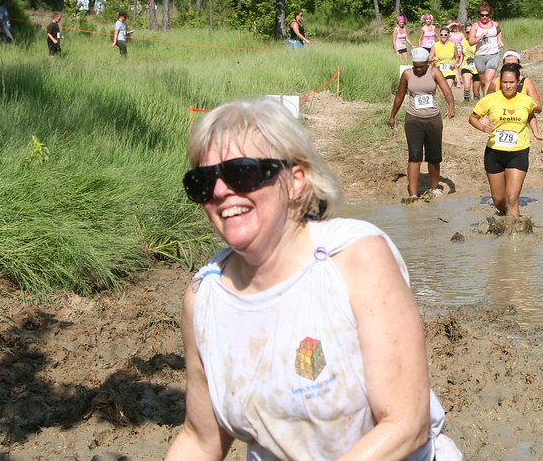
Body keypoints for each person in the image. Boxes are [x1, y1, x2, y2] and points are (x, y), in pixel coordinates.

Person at [166, 98, 459, 460]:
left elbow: (404, 424)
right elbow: (200, 439)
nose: (222, 191)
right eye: (203, 181)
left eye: (242, 172)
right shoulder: (203, 298)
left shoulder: (356, 259)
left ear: (295, 180)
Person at [469, 62, 543, 217]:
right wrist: (482, 127)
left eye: (511, 82)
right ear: (500, 82)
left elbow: (531, 115)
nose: (507, 86)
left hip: (518, 152)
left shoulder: (525, 100)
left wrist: (537, 134)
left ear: (518, 82)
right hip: (494, 153)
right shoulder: (490, 99)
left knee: (512, 198)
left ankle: (515, 233)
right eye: (504, 82)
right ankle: (506, 219)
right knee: (499, 200)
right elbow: (473, 117)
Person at [388, 47, 456, 200]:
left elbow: (446, 91)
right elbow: (399, 96)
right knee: (414, 156)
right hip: (413, 119)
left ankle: (433, 188)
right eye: (416, 66)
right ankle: (413, 194)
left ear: (427, 62)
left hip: (433, 120)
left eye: (422, 66)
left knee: (434, 157)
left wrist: (451, 105)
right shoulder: (407, 74)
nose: (418, 69)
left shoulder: (434, 72)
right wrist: (392, 116)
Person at [467, 2, 503, 96]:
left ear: (490, 15)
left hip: (493, 54)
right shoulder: (475, 26)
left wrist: (499, 40)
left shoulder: (495, 24)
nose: (484, 17)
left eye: (486, 15)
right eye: (482, 15)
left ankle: (488, 101)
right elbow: (470, 42)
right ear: (479, 15)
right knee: (483, 82)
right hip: (480, 56)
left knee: (488, 80)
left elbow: (499, 32)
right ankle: (485, 96)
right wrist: (480, 38)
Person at [495, 50, 541, 114]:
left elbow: (538, 108)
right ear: (503, 64)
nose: (511, 66)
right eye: (507, 64)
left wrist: (523, 103)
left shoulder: (526, 83)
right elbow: (486, 104)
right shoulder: (495, 82)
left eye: (514, 64)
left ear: (519, 63)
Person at [429, 27, 461, 93]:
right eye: (441, 35)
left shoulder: (453, 45)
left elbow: (457, 57)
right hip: (439, 72)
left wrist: (454, 62)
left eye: (445, 35)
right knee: (442, 94)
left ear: (448, 35)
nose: (443, 36)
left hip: (450, 70)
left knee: (447, 91)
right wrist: (433, 59)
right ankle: (443, 103)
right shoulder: (435, 45)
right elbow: (429, 59)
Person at [460, 24, 480, 102]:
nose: (469, 33)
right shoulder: (463, 42)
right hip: (466, 66)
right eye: (467, 32)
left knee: (476, 90)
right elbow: (462, 53)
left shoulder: (478, 41)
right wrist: (459, 62)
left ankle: (476, 102)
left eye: (470, 32)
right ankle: (466, 101)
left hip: (477, 66)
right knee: (467, 86)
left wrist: (473, 52)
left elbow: (483, 54)